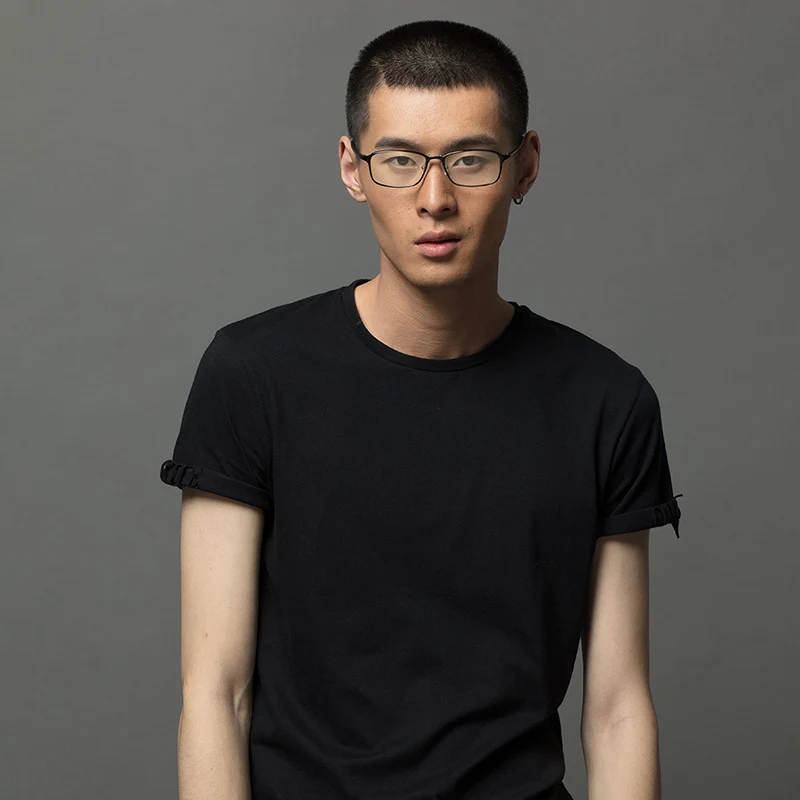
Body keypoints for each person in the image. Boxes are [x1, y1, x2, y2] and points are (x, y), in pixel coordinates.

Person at [160, 19, 682, 800]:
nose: (434, 200)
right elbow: (215, 692)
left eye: (470, 160)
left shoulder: (606, 401)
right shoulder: (252, 374)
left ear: (524, 167)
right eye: (400, 161)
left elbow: (617, 711)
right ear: (353, 169)